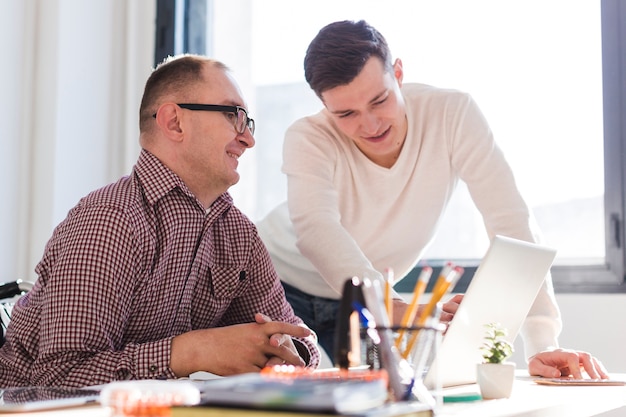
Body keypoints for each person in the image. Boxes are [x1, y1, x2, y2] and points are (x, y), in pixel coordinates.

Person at [257, 20, 607, 380]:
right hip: (281, 287)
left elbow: (511, 220)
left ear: (398, 73)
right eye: (346, 114)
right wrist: (392, 306)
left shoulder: (452, 115)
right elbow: (317, 229)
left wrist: (542, 341)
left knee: (393, 400)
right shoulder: (308, 137)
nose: (371, 124)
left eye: (380, 99)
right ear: (323, 104)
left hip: (371, 299)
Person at [0, 54, 320, 388]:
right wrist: (191, 353)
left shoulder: (238, 234)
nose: (248, 139)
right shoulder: (111, 220)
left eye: (247, 121)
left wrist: (284, 350)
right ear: (174, 123)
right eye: (232, 114)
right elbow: (57, 381)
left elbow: (302, 343)